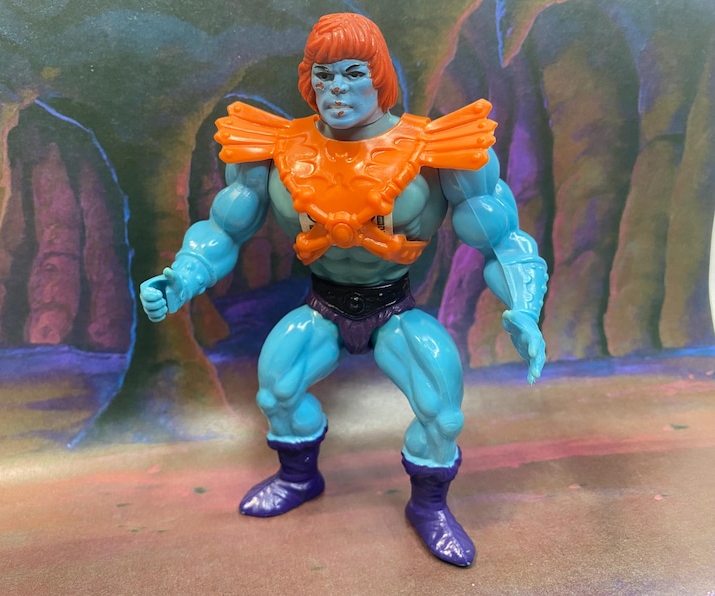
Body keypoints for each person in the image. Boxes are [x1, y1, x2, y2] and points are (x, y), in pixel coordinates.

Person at [140, 12, 547, 567]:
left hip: (393, 306)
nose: (337, 89)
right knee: (277, 393)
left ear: (379, 78)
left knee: (441, 412)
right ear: (309, 81)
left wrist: (524, 307)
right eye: (324, 75)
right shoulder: (276, 147)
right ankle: (298, 478)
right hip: (322, 305)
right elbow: (223, 229)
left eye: (354, 74)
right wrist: (182, 277)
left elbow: (502, 239)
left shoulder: (435, 148)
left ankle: (429, 507)